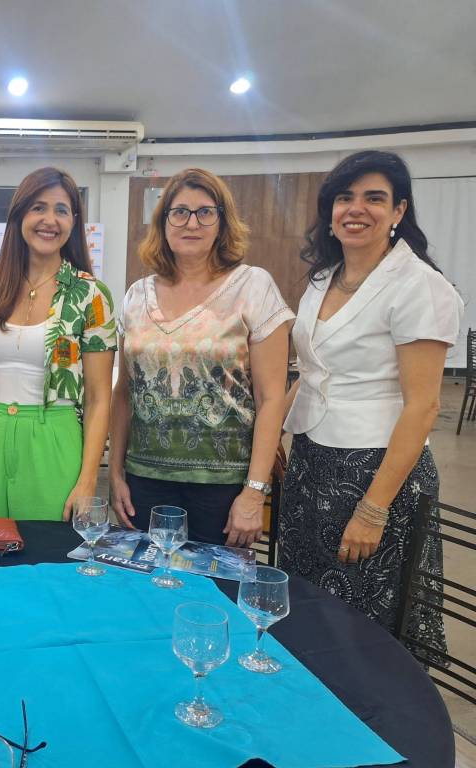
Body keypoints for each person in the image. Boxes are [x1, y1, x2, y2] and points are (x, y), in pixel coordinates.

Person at [280, 150, 463, 651]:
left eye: (374, 198)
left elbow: (423, 407)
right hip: (312, 461)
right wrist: (275, 435)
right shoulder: (323, 278)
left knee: (363, 624)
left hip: (375, 471)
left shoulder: (420, 286)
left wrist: (373, 510)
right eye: (345, 197)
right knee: (307, 609)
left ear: (399, 211)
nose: (356, 209)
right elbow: (312, 370)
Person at [109, 168, 293, 546]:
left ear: (222, 222)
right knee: (145, 579)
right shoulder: (136, 295)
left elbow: (271, 398)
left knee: (216, 581)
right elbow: (123, 393)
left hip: (224, 488)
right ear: (163, 222)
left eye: (205, 212)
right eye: (180, 212)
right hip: (145, 480)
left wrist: (254, 492)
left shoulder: (253, 286)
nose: (192, 223)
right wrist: (115, 475)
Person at [0, 167, 116, 521]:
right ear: (19, 216)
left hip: (55, 440)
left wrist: (88, 480)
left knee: (50, 551)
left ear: (73, 221)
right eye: (38, 208)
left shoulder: (90, 295)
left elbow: (98, 398)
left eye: (61, 210)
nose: (50, 220)